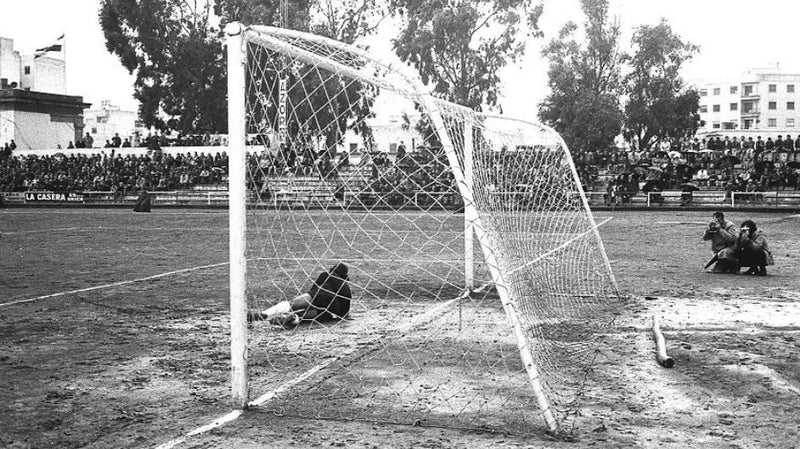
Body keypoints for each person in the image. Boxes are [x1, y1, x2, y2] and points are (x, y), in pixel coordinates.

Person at [248, 263, 352, 326]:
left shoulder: (325, 275)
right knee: (307, 316)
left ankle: (265, 314)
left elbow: (314, 289)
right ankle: (292, 319)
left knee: (292, 304)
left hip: (318, 294)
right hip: (331, 306)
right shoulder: (346, 288)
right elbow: (343, 314)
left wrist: (308, 304)